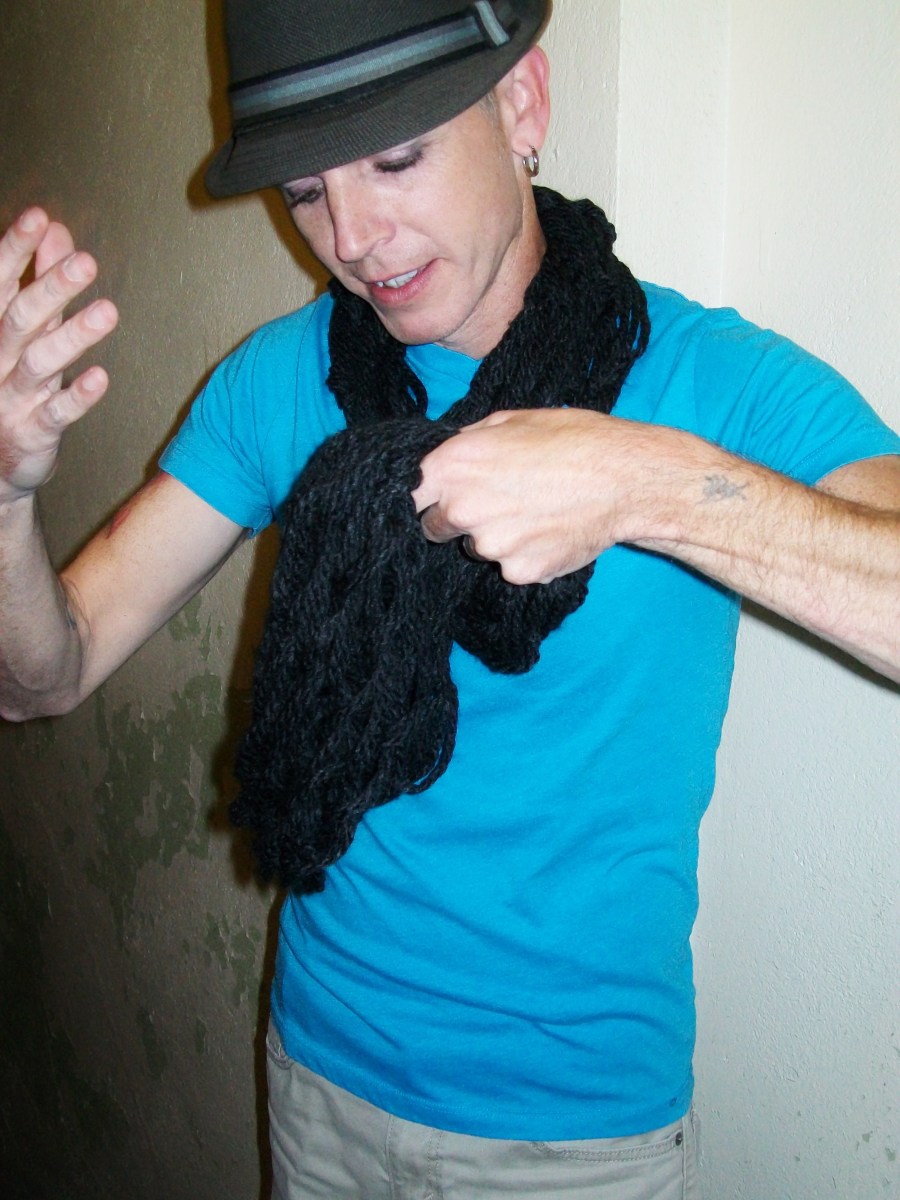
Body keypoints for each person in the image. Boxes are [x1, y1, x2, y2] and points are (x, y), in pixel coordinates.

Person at [0, 1, 897, 1196]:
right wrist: (3, 498)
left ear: (522, 103)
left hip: (573, 1134)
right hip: (320, 1075)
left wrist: (644, 483)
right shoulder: (282, 378)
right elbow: (44, 675)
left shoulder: (707, 380)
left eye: (395, 159)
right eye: (307, 191)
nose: (353, 237)